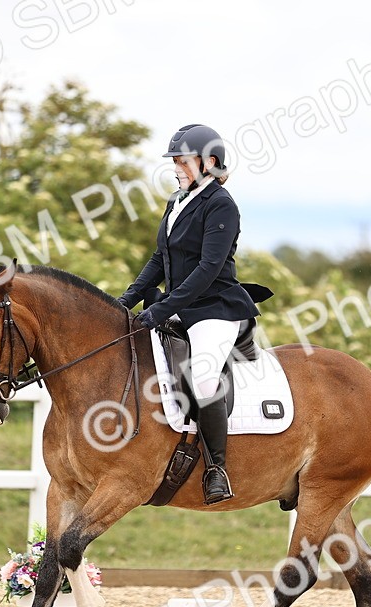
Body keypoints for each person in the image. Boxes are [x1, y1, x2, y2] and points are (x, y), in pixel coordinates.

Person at [118, 124, 263, 505]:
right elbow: (160, 259)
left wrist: (162, 309)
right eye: (175, 161)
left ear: (209, 162)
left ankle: (217, 469)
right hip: (181, 304)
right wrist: (126, 301)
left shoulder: (221, 204)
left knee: (203, 378)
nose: (176, 168)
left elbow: (208, 269)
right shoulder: (177, 201)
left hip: (215, 309)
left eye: (183, 161)